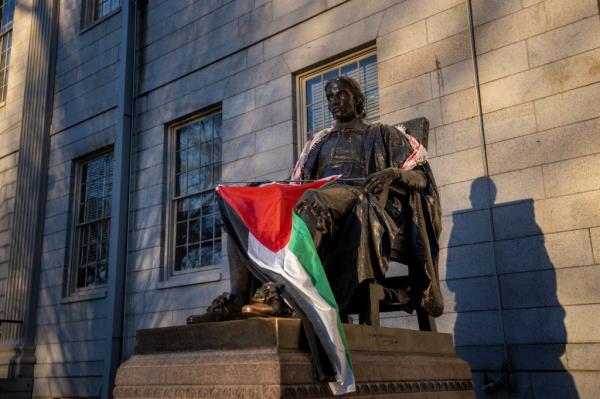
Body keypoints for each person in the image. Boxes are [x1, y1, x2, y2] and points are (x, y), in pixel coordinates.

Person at [187, 75, 443, 323]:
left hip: (358, 200)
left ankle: (286, 293)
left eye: (341, 94)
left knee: (313, 198)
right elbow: (296, 183)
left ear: (358, 100)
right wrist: (262, 192)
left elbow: (422, 179)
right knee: (249, 204)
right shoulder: (319, 143)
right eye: (329, 96)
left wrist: (393, 173)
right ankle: (237, 298)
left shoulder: (383, 134)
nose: (334, 100)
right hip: (317, 202)